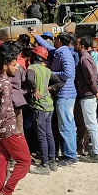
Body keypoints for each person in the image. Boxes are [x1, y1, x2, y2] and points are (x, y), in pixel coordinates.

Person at [0, 53, 31, 195]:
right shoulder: (6, 83)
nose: (17, 67)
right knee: (25, 161)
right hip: (8, 128)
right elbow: (4, 107)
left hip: (0, 129)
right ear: (5, 67)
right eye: (14, 64)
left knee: (2, 163)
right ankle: (7, 192)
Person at [32, 29, 77, 166]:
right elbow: (48, 47)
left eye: (56, 39)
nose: (53, 41)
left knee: (66, 125)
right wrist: (35, 35)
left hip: (65, 94)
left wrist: (48, 72)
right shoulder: (60, 51)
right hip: (64, 94)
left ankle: (70, 156)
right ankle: (69, 153)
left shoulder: (65, 54)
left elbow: (68, 73)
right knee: (66, 124)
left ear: (60, 41)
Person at [26, 46, 62, 174]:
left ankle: (44, 165)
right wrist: (50, 89)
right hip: (49, 106)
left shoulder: (31, 68)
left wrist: (35, 90)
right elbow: (60, 82)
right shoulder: (47, 70)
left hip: (39, 106)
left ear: (34, 56)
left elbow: (30, 79)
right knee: (49, 134)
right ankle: (52, 162)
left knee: (41, 136)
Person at [74, 36, 98, 163]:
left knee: (91, 125)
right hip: (88, 93)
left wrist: (96, 90)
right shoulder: (86, 57)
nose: (75, 45)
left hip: (88, 95)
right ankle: (96, 151)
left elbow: (91, 77)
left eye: (77, 43)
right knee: (91, 124)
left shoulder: (84, 58)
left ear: (82, 46)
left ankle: (96, 153)